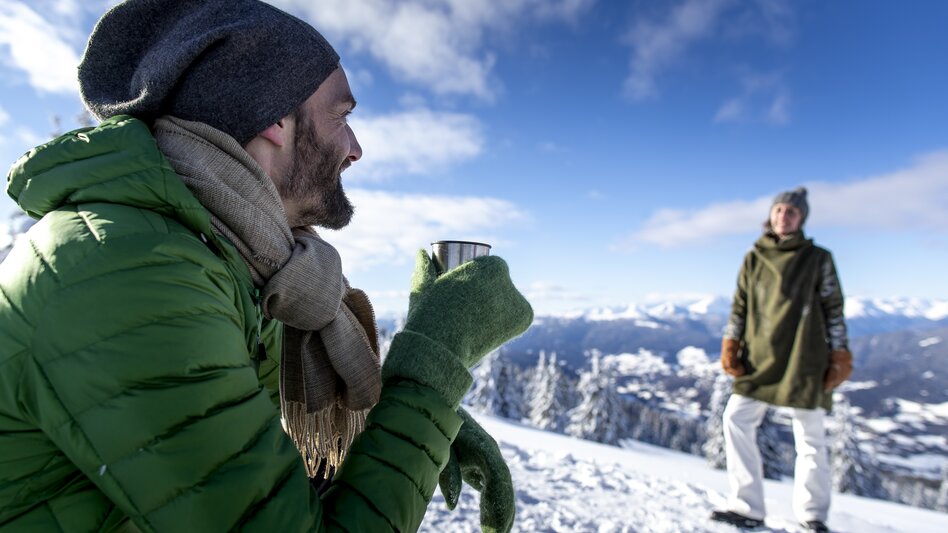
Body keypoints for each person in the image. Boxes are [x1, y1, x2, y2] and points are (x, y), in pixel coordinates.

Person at [0, 0, 533, 531]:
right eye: (342, 116)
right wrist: (431, 373)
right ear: (275, 117)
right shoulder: (128, 272)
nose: (356, 148)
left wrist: (420, 422)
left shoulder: (237, 263)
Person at [710, 187, 853, 533]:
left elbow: (833, 309)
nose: (783, 217)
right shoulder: (754, 257)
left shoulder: (818, 258)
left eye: (791, 212)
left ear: (801, 218)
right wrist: (731, 341)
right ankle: (747, 506)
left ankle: (812, 514)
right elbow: (740, 305)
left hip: (805, 356)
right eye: (779, 211)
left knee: (810, 436)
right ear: (770, 215)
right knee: (736, 418)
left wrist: (839, 352)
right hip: (760, 356)